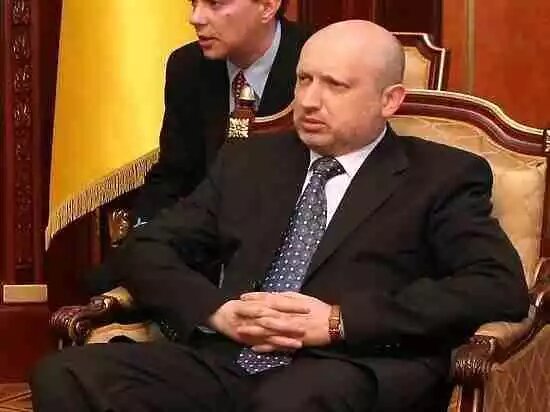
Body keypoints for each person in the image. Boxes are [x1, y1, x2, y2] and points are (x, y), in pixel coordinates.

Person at [32, 20, 529, 412]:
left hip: (350, 364)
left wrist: (338, 321)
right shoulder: (250, 162)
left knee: (289, 401)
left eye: (335, 86)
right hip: (230, 358)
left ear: (389, 101)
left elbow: (496, 285)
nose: (308, 101)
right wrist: (217, 312)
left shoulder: (440, 176)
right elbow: (149, 246)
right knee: (66, 373)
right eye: (304, 79)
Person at [87, 0, 310, 294]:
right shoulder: (187, 66)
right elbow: (173, 174)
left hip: (288, 251)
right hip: (203, 248)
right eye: (193, 3)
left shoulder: (315, 61)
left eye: (214, 4)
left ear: (268, 6)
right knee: (105, 281)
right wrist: (143, 239)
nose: (195, 18)